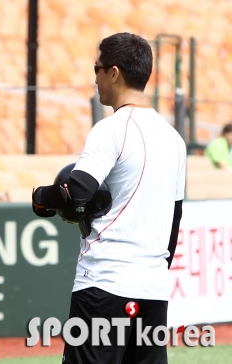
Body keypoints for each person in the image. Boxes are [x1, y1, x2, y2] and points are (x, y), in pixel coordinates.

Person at [32, 32, 186, 363]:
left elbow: (78, 191)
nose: (96, 78)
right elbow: (175, 222)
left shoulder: (112, 128)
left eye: (96, 69)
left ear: (113, 72)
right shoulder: (175, 139)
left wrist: (41, 197)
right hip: (153, 290)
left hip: (105, 285)